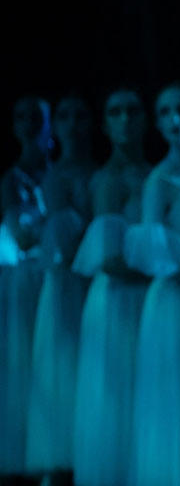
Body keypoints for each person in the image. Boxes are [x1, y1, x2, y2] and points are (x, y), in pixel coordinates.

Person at [126, 83, 180, 486]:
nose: (175, 119)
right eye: (166, 112)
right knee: (171, 396)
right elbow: (155, 254)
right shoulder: (158, 181)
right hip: (175, 297)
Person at [72, 88, 152, 486]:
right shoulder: (105, 180)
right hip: (119, 299)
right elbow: (109, 258)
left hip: (148, 297)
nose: (125, 120)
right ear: (104, 124)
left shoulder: (155, 174)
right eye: (115, 112)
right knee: (116, 398)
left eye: (132, 111)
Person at [26, 95, 96, 479]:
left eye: (80, 115)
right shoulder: (56, 178)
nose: (73, 124)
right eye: (65, 115)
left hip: (94, 284)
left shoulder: (99, 172)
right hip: (66, 286)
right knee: (65, 373)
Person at [0, 96, 51, 477]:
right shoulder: (13, 180)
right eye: (20, 117)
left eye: (35, 116)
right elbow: (22, 236)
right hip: (25, 281)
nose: (28, 124)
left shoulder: (59, 172)